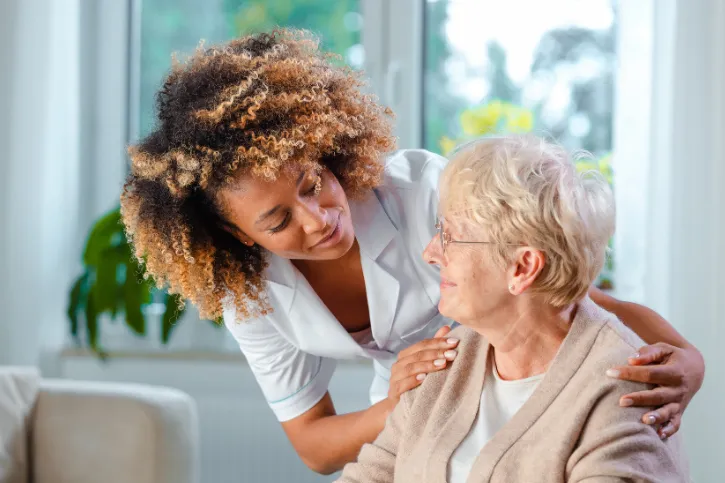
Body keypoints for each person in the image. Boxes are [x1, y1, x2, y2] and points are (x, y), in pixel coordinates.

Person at [120, 29, 703, 475]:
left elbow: (565, 291)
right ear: (243, 238)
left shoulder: (424, 193)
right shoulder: (252, 293)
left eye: (313, 182)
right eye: (278, 221)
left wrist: (687, 359)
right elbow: (316, 446)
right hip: (422, 400)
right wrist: (402, 400)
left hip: (516, 372)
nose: (320, 219)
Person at [337, 135, 690, 483]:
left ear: (521, 268)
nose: (430, 252)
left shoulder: (624, 395)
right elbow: (373, 473)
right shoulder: (446, 361)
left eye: (450, 236)